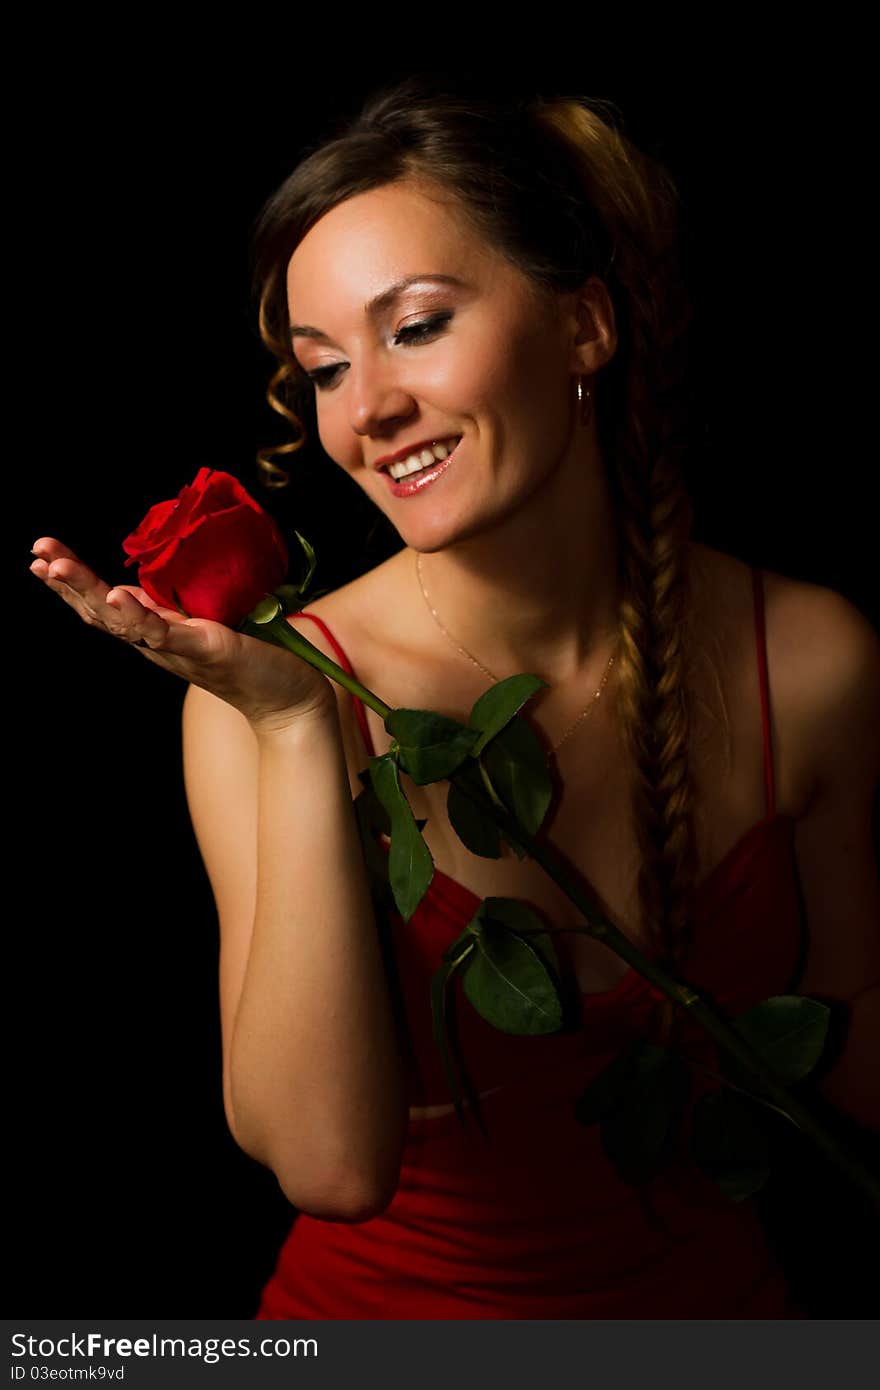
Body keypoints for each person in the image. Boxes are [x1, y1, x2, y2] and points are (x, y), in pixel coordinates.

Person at [29, 73, 879, 1319]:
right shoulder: (271, 695)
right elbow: (327, 1164)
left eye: (415, 326)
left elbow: (853, 1033)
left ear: (585, 325)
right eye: (322, 369)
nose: (364, 409)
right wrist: (291, 728)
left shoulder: (806, 657)